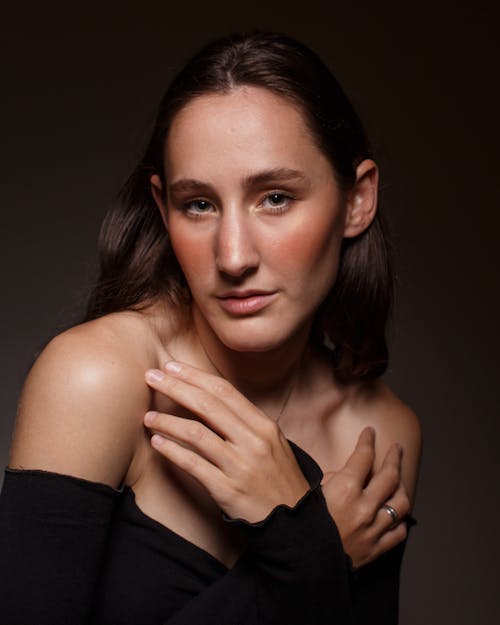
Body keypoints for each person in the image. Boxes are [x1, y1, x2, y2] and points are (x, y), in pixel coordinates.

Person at [0, 31, 421, 625]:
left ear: (357, 199)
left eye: (275, 197)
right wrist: (306, 554)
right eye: (198, 204)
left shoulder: (378, 431)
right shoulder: (97, 379)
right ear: (161, 204)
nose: (232, 257)